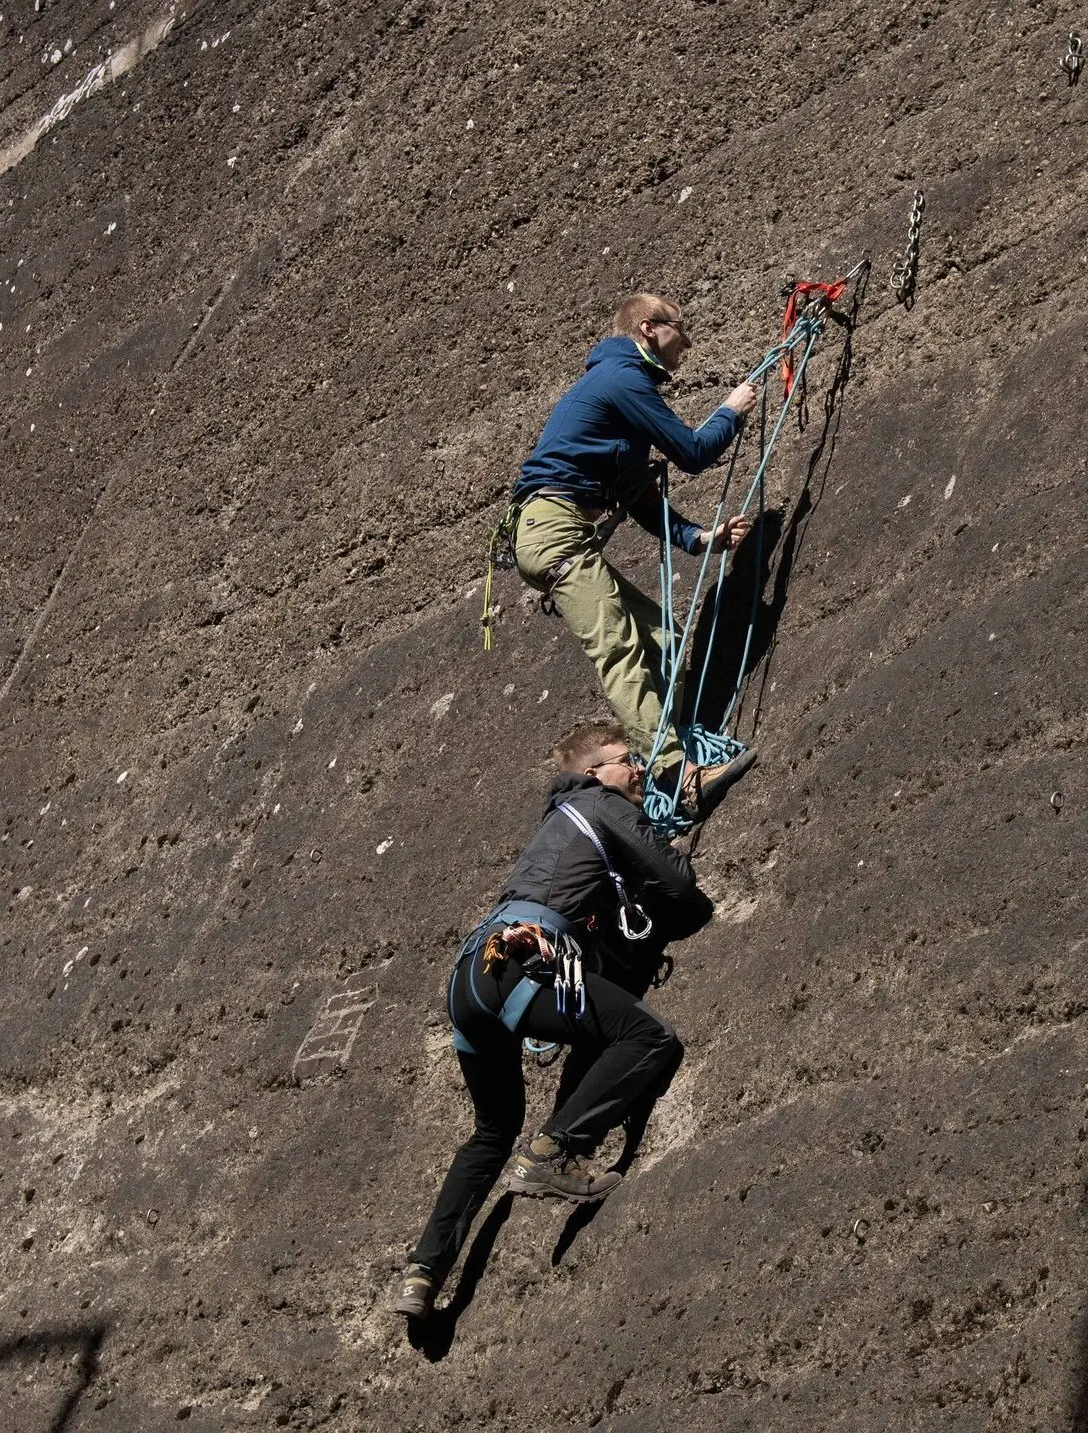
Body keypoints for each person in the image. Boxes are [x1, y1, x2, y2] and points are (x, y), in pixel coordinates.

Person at [394, 721, 713, 1320]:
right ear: (595, 772)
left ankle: (423, 1271)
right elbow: (677, 880)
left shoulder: (559, 825)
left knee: (492, 1133)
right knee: (648, 1036)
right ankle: (555, 1152)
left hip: (473, 977)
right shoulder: (597, 804)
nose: (640, 769)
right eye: (630, 760)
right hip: (522, 965)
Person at [510, 293, 760, 817]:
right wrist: (730, 412)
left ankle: (672, 745)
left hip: (556, 532)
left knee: (661, 637)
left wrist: (697, 539)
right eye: (679, 330)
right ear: (649, 329)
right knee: (619, 649)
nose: (687, 342)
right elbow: (691, 453)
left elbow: (638, 494)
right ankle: (676, 776)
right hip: (554, 532)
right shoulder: (623, 380)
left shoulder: (618, 387)